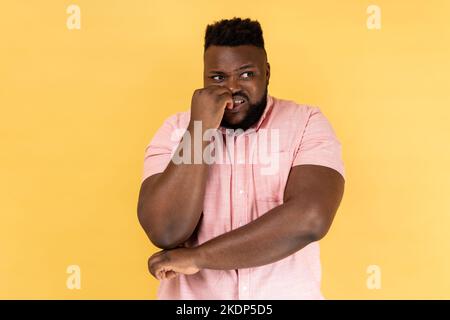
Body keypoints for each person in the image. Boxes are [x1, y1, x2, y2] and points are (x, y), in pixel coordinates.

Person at [137, 17, 345, 299]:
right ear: (203, 78)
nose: (232, 88)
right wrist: (199, 129)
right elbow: (166, 230)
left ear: (267, 73)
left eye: (246, 74)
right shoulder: (176, 130)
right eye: (218, 78)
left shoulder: (307, 122)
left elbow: (310, 218)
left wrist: (198, 258)